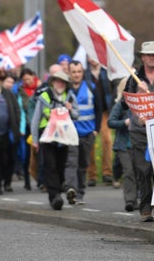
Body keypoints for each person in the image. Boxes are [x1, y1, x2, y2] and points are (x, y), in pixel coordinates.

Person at [123, 40, 154, 222]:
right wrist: (140, 95)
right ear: (142, 57)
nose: (152, 58)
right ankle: (146, 206)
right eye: (149, 55)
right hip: (139, 131)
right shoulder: (133, 79)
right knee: (143, 169)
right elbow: (126, 102)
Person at [30, 70, 79, 210]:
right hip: (47, 137)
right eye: (58, 81)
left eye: (63, 82)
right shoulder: (44, 96)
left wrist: (70, 109)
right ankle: (55, 196)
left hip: (63, 137)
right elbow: (36, 119)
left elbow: (77, 115)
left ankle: (57, 192)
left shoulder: (69, 97)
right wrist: (35, 139)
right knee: (50, 166)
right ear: (52, 82)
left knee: (60, 166)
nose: (60, 84)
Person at [65, 60, 100, 205]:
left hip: (88, 133)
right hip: (71, 134)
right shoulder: (65, 90)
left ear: (83, 72)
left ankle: (80, 193)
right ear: (69, 73)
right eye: (73, 72)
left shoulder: (91, 87)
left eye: (79, 71)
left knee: (83, 164)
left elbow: (99, 108)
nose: (76, 74)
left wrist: (96, 130)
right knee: (71, 162)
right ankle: (71, 189)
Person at [108, 80, 137, 213]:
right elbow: (111, 121)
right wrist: (124, 122)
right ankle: (130, 200)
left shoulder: (141, 105)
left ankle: (140, 199)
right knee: (129, 171)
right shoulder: (120, 105)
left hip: (138, 144)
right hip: (123, 145)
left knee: (140, 172)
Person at [85, 58, 114, 187]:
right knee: (90, 143)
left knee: (107, 140)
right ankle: (91, 174)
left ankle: (107, 172)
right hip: (90, 112)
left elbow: (112, 89)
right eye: (90, 56)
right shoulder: (85, 73)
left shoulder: (106, 71)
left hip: (104, 110)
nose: (93, 59)